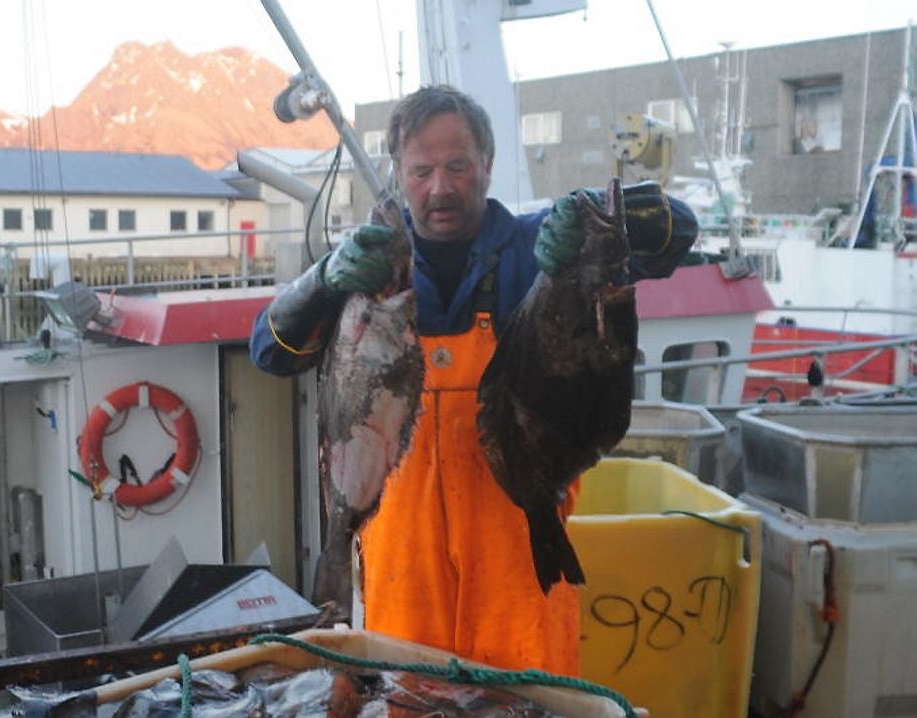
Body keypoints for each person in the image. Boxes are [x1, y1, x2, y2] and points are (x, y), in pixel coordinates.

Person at [249, 85, 697, 675]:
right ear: (398, 173)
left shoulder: (545, 247)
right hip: (403, 572)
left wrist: (598, 209)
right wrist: (325, 278)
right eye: (422, 171)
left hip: (521, 559)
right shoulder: (368, 269)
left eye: (458, 166)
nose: (440, 188)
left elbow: (679, 231)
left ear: (487, 162)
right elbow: (270, 352)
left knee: (526, 707)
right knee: (409, 701)